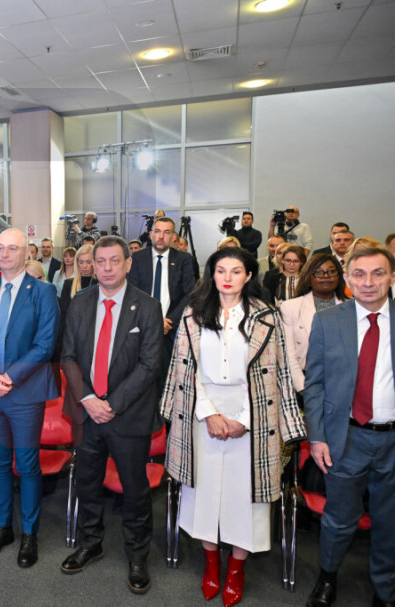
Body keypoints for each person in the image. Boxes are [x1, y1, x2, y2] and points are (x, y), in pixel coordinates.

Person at [160, 247, 306, 607]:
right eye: (221, 270)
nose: (227, 277)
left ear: (249, 275)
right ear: (211, 275)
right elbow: (185, 369)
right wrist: (209, 413)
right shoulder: (193, 314)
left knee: (247, 497)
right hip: (202, 411)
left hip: (254, 414)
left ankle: (237, 569)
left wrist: (244, 418)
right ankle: (212, 564)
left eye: (236, 271)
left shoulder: (267, 316)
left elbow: (276, 374)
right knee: (204, 492)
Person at [60, 236, 163, 594]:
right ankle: (91, 542)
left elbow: (150, 365)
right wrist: (89, 399)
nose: (106, 268)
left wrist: (112, 404)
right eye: (100, 261)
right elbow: (68, 356)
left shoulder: (147, 307)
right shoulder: (79, 302)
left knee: (135, 490)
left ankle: (137, 555)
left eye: (114, 261)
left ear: (128, 263)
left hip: (128, 416)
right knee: (87, 483)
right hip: (86, 413)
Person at [303, 246, 395, 607]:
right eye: (359, 274)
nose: (368, 282)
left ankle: (386, 588)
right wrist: (317, 436)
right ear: (347, 279)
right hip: (346, 438)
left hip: (392, 441)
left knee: (389, 520)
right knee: (339, 518)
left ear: (391, 277)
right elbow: (315, 383)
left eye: (378, 273)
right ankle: (327, 577)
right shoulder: (328, 321)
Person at [0, 228, 59, 568]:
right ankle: (3, 527)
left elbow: (45, 344)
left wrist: (9, 377)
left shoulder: (43, 292)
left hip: (25, 393)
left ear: (26, 253)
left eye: (12, 248)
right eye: (0, 248)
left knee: (28, 465)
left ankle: (29, 533)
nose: (4, 254)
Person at [128, 216, 197, 381]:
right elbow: (132, 293)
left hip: (172, 329)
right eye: (157, 231)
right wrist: (154, 321)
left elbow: (189, 293)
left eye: (166, 232)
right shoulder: (138, 258)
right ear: (151, 234)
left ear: (173, 236)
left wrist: (168, 321)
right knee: (144, 378)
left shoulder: (184, 259)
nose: (161, 236)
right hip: (143, 328)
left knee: (169, 378)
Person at [280, 254, 347, 394]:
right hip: (306, 381)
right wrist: (303, 388)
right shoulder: (291, 307)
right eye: (318, 272)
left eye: (331, 271)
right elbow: (288, 353)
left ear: (339, 276)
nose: (326, 276)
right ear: (308, 278)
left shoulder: (352, 306)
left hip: (345, 381)